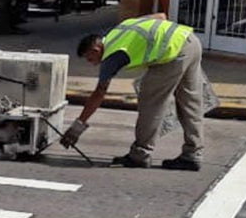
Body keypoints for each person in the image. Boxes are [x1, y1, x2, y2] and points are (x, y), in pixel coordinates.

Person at [61, 13, 204, 171]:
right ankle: (193, 154)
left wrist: (77, 127)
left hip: (173, 54)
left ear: (96, 50)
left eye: (90, 59)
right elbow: (161, 16)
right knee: (189, 102)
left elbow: (99, 93)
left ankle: (140, 154)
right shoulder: (121, 28)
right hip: (190, 41)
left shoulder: (112, 55)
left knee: (150, 103)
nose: (93, 64)